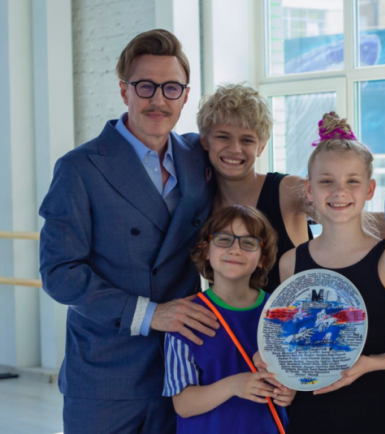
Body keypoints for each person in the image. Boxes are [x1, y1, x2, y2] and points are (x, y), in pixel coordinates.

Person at [39, 29, 219, 434]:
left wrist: (307, 197)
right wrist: (151, 314)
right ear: (124, 91)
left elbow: (244, 186)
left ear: (185, 96)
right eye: (145, 86)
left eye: (171, 88)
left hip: (181, 370)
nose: (159, 100)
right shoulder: (79, 168)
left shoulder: (198, 158)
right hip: (105, 376)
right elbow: (60, 273)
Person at [268, 112, 385, 434]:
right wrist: (282, 378)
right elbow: (291, 346)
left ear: (369, 189)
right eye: (326, 181)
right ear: (309, 189)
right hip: (306, 418)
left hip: (372, 417)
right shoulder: (289, 263)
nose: (339, 191)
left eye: (352, 181)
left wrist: (370, 364)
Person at [163, 205, 293, 433]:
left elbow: (293, 376)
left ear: (262, 258)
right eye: (224, 240)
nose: (235, 249)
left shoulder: (280, 312)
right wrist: (233, 386)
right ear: (206, 250)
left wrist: (290, 391)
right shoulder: (185, 316)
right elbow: (183, 405)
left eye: (248, 243)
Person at [196, 83, 312, 293]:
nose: (234, 149)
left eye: (247, 140)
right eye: (223, 136)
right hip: (226, 315)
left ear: (262, 147)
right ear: (204, 140)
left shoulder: (287, 189)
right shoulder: (200, 205)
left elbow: (345, 213)